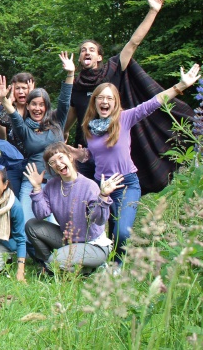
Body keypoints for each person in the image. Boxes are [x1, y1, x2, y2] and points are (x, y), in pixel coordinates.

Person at [65, 0, 193, 192]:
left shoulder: (112, 70)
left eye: (91, 49)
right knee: (87, 203)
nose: (86, 51)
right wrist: (62, 137)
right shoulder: (76, 88)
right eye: (83, 50)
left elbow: (134, 42)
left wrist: (153, 11)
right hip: (87, 151)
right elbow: (68, 121)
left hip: (114, 145)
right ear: (80, 59)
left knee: (116, 202)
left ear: (99, 57)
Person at [73, 63, 200, 264]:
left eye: (109, 98)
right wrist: (84, 155)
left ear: (115, 103)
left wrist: (179, 87)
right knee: (111, 229)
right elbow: (97, 155)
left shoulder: (124, 118)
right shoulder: (89, 127)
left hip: (126, 183)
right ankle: (112, 265)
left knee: (123, 231)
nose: (105, 101)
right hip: (103, 186)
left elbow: (153, 103)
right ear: (95, 102)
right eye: (101, 98)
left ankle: (117, 264)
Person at [0, 53, 75, 223]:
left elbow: (64, 101)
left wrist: (70, 74)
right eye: (34, 104)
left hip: (58, 182)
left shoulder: (57, 121)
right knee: (26, 225)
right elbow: (12, 115)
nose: (37, 108)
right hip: (31, 182)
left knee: (56, 226)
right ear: (28, 105)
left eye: (41, 104)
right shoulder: (24, 128)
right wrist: (3, 98)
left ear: (46, 106)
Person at [24, 143, 123, 273]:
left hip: (92, 245)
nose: (58, 164)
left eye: (60, 158)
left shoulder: (89, 186)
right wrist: (37, 188)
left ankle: (85, 269)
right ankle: (50, 266)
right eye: (52, 162)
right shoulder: (52, 186)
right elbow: (41, 214)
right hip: (68, 239)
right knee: (32, 225)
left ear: (70, 157)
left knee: (55, 260)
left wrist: (103, 196)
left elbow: (99, 220)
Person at [0, 72, 35, 154]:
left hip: (32, 156)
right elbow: (1, 120)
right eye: (17, 88)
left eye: (24, 88)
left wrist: (32, 97)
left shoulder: (34, 109)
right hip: (14, 157)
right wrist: (9, 99)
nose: (20, 91)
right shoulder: (11, 108)